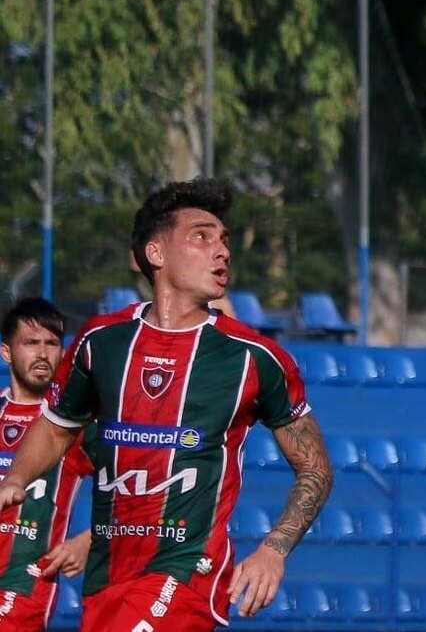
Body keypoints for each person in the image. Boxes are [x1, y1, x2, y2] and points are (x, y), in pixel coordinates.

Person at [0, 178, 334, 632]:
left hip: (186, 574)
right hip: (106, 578)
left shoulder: (255, 357)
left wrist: (273, 550)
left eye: (224, 240)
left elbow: (315, 467)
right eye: (202, 236)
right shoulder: (101, 343)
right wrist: (16, 477)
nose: (222, 251)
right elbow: (58, 427)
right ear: (156, 254)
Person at [0, 298, 92, 631]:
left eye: (52, 343)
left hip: (23, 586)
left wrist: (89, 540)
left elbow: (139, 489)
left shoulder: (72, 428)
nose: (42, 353)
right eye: (31, 343)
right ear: (7, 352)